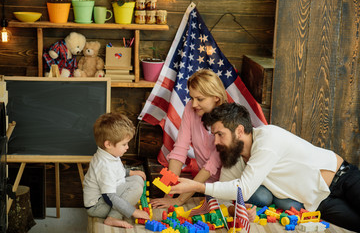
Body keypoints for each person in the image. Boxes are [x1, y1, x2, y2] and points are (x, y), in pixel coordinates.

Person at [169, 103, 360, 232]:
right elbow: (223, 198)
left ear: (240, 131)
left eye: (220, 134)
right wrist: (234, 210)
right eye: (214, 135)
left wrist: (197, 187)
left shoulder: (268, 139)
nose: (216, 141)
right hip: (320, 203)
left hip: (342, 178)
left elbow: (243, 188)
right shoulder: (233, 158)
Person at [150, 69, 227, 209]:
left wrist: (178, 201)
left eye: (200, 99)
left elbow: (211, 165)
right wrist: (168, 194)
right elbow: (180, 149)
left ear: (216, 97)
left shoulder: (227, 121)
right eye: (192, 98)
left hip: (225, 185)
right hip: (202, 183)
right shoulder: (190, 109)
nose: (194, 104)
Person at [83, 112, 150, 228]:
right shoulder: (103, 165)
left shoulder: (110, 154)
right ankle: (113, 217)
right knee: (136, 187)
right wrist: (132, 211)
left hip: (108, 196)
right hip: (97, 206)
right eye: (124, 144)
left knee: (138, 179)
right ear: (108, 144)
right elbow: (109, 197)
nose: (127, 147)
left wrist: (132, 173)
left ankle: (122, 207)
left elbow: (117, 172)